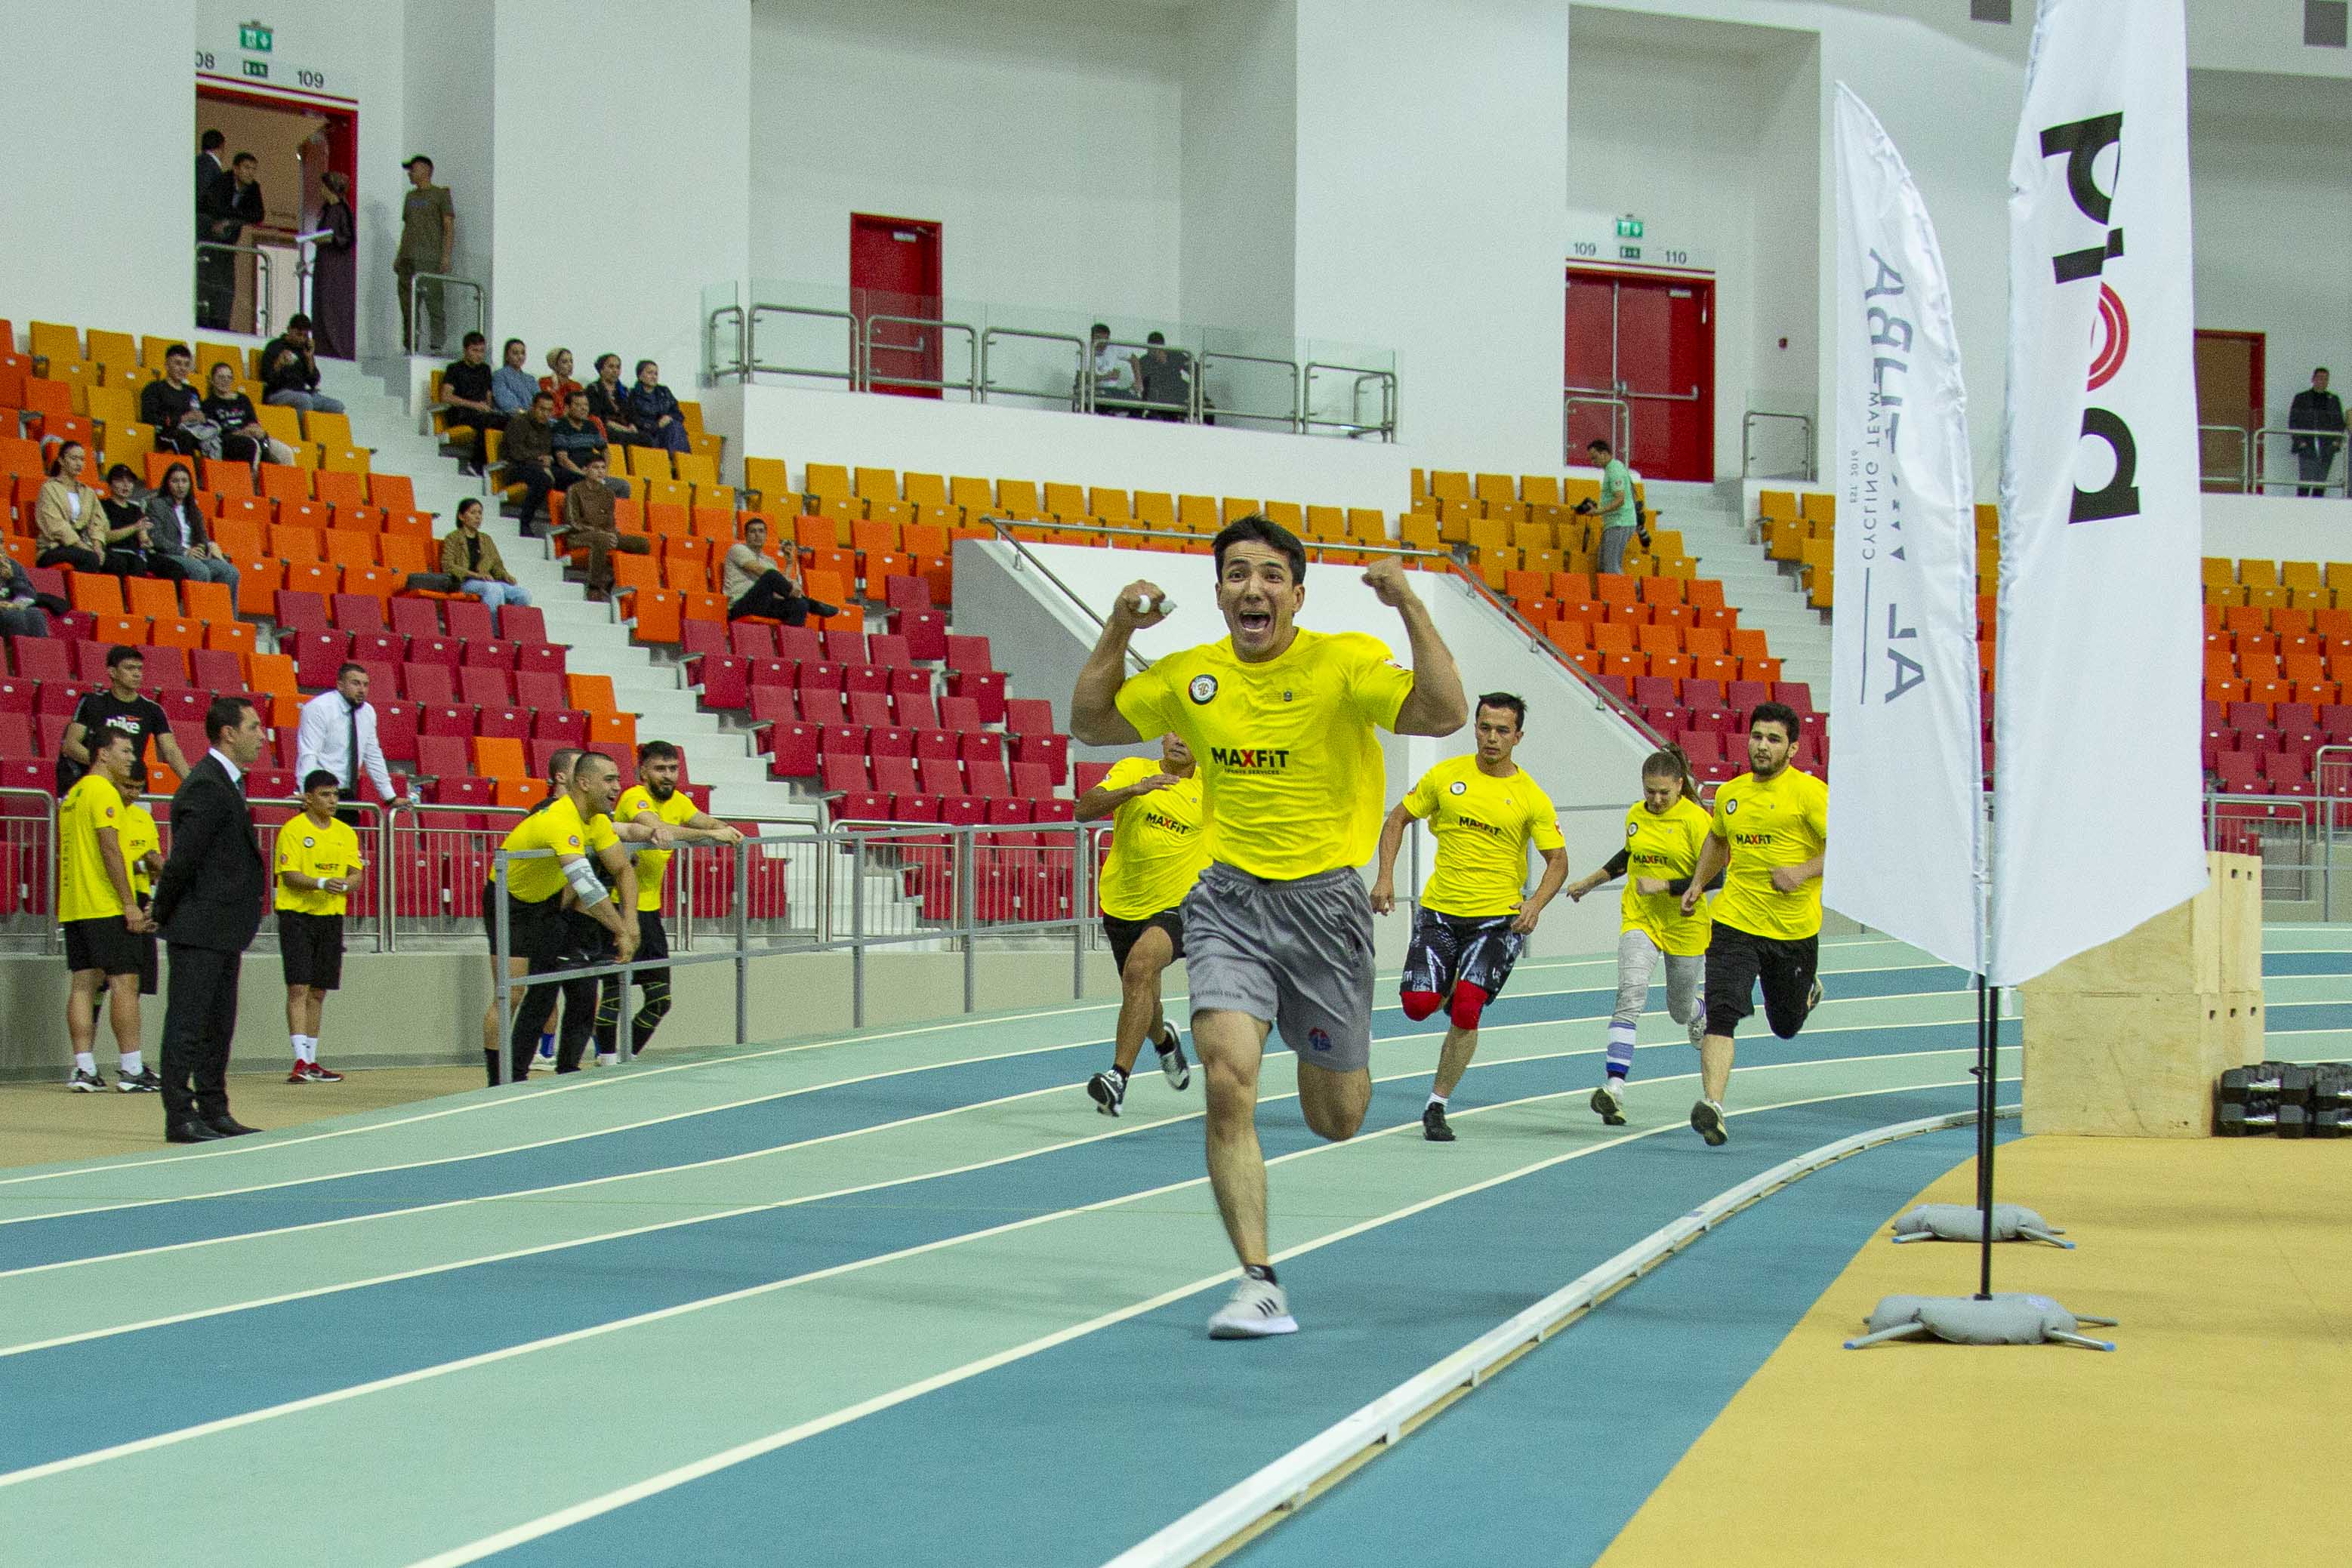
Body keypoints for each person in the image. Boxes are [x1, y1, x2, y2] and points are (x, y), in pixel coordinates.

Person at [1070, 515, 1469, 1338]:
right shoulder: (1191, 674)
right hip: (1228, 901)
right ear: (1220, 593)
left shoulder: (1342, 661)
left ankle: (1326, 1043)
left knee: (1336, 1119)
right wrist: (1117, 625)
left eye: (1271, 575)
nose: (1253, 588)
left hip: (1325, 906)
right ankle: (1257, 1281)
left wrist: (1408, 605)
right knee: (1226, 1078)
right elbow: (1092, 721)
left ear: (1296, 593)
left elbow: (1442, 712)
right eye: (1236, 574)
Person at [1369, 692, 1569, 1141]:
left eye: (1502, 730)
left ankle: (1436, 1105)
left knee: (1467, 1009)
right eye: (1484, 727)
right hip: (1440, 912)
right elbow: (1397, 820)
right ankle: (1452, 990)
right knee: (1417, 1007)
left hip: (1497, 920)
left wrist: (1535, 904)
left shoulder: (1530, 796)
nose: (1492, 738)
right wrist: (1385, 877)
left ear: (1518, 737)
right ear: (1475, 728)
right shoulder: (1446, 776)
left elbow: (1558, 860)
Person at [1678, 703, 1828, 1146]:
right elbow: (1717, 839)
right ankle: (1713, 1105)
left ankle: (1807, 991)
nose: (1762, 746)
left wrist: (1800, 872)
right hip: (1734, 921)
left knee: (1786, 1025)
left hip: (1792, 931)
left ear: (1793, 748)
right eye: (1757, 736)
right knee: (1721, 1013)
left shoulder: (1810, 794)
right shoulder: (1731, 793)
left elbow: (1849, 846)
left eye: (1774, 739)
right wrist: (1698, 883)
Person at [1563, 744, 1718, 1125]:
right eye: (1650, 791)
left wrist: (1666, 886)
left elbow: (1717, 877)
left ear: (1679, 785)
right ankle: (1614, 1088)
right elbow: (1627, 856)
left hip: (1685, 926)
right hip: (1640, 919)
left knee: (1679, 1011)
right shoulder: (1636, 815)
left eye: (1664, 792)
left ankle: (1699, 1011)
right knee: (1629, 996)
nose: (1657, 799)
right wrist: (1590, 882)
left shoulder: (1697, 821)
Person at [153, 697, 270, 1143]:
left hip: (221, 928)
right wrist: (161, 913)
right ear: (228, 733)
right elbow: (183, 861)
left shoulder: (225, 783)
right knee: (187, 1025)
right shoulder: (206, 785)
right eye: (254, 727)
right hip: (199, 925)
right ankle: (180, 1115)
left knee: (218, 1026)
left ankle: (214, 1108)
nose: (262, 736)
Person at [486, 750, 641, 1083]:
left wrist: (631, 922)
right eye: (609, 779)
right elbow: (586, 884)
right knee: (510, 994)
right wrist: (620, 931)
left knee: (545, 990)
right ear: (583, 783)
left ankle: (531, 1071)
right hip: (509, 900)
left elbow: (623, 869)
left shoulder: (598, 821)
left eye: (618, 779)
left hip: (548, 902)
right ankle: (496, 1083)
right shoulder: (560, 818)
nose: (617, 786)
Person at [1075, 731, 1204, 1115]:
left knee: (1140, 969)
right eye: (1174, 730)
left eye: (1190, 731)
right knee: (1144, 997)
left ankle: (1117, 1079)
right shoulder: (1134, 769)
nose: (1180, 739)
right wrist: (1134, 790)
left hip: (1178, 905)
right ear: (1163, 738)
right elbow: (1083, 810)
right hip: (1122, 905)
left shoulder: (1212, 788)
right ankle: (1164, 1041)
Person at [600, 740, 743, 1061]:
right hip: (617, 907)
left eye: (673, 769)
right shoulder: (634, 796)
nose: (668, 775)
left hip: (650, 913)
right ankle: (607, 1060)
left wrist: (727, 830)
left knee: (660, 1000)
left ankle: (627, 1057)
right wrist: (712, 835)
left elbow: (706, 821)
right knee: (614, 994)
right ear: (643, 772)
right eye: (660, 769)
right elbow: (657, 827)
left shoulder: (679, 801)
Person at [59, 732, 161, 1093]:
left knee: (83, 985)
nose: (131, 757)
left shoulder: (73, 795)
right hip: (105, 904)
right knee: (125, 983)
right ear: (103, 754)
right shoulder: (104, 792)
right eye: (126, 750)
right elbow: (110, 848)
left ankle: (84, 1069)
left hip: (75, 905)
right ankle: (131, 1069)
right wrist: (129, 903)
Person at [276, 769, 362, 1084]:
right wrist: (323, 882)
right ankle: (299, 1059)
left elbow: (356, 873)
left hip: (330, 916)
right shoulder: (293, 830)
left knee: (319, 991)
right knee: (298, 987)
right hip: (297, 916)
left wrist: (347, 884)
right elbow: (289, 875)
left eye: (335, 794)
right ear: (309, 798)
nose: (333, 800)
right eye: (325, 794)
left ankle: (312, 1060)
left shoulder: (345, 832)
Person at [60, 645, 186, 796]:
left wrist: (192, 783)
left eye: (139, 669)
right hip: (96, 785)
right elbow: (70, 745)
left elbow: (171, 751)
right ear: (112, 672)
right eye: (129, 668)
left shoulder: (152, 710)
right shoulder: (92, 702)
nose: (137, 674)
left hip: (132, 788)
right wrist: (109, 766)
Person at [294, 661, 396, 807]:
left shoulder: (368, 712)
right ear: (340, 685)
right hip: (320, 793)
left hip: (348, 793)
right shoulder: (318, 708)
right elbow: (309, 752)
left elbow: (373, 754)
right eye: (356, 683)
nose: (362, 690)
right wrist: (306, 792)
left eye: (365, 685)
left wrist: (390, 797)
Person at [562, 454, 650, 602]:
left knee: (643, 544)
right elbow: (573, 522)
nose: (600, 471)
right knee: (601, 539)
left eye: (603, 468)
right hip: (578, 535)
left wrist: (613, 535)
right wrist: (600, 533)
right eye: (596, 468)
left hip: (604, 535)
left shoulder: (608, 494)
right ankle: (594, 588)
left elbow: (610, 522)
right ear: (585, 470)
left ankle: (612, 583)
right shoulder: (574, 490)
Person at [143, 461, 241, 593]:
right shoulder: (157, 505)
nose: (180, 486)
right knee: (200, 570)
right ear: (167, 484)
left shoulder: (194, 509)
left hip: (195, 557)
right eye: (175, 481)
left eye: (184, 481)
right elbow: (156, 537)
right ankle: (199, 606)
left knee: (231, 572)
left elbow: (203, 538)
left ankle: (224, 607)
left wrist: (206, 547)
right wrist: (185, 552)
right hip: (171, 555)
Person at [439, 498, 531, 633]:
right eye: (473, 513)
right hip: (465, 582)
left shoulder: (486, 539)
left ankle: (512, 632)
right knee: (494, 589)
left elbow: (497, 566)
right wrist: (476, 575)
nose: (478, 517)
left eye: (480, 513)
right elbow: (448, 565)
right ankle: (492, 633)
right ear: (461, 516)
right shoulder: (453, 538)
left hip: (487, 581)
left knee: (523, 594)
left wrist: (506, 576)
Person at [723, 516, 836, 625]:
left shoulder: (770, 561)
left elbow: (780, 588)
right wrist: (790, 586)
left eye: (761, 531)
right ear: (746, 535)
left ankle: (790, 636)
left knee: (800, 604)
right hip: (740, 606)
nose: (757, 535)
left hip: (764, 605)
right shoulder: (738, 549)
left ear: (766, 535)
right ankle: (814, 605)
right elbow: (757, 569)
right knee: (771, 575)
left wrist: (789, 564)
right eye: (753, 531)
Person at [396, 155, 455, 354]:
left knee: (434, 303)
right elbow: (407, 228)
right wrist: (399, 255)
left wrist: (446, 256)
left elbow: (448, 226)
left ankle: (437, 344)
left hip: (430, 257)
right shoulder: (410, 197)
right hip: (407, 258)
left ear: (425, 170)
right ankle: (410, 345)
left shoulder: (440, 194)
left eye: (413, 169)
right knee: (408, 306)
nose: (410, 173)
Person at [33, 442, 110, 572]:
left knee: (117, 561)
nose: (79, 463)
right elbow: (56, 525)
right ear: (61, 460)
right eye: (74, 458)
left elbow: (97, 523)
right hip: (54, 547)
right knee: (89, 558)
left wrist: (97, 547)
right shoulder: (49, 489)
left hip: (83, 545)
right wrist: (84, 547)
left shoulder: (88, 492)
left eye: (82, 459)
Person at [99, 465, 183, 582]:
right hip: (116, 551)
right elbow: (105, 537)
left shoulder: (136, 509)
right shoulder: (103, 506)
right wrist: (134, 528)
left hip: (138, 552)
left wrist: (146, 542)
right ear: (110, 484)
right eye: (120, 480)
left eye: (130, 481)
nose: (126, 485)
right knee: (135, 564)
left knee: (176, 569)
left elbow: (143, 537)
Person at [202, 362, 293, 470]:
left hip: (252, 434)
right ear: (212, 380)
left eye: (229, 377)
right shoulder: (208, 404)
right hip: (231, 441)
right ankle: (254, 479)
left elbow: (253, 421)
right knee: (253, 445)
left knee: (286, 452)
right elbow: (216, 433)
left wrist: (255, 430)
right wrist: (242, 433)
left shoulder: (242, 399)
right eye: (221, 377)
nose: (225, 381)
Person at [139, 344, 221, 460]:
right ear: (167, 365)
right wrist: (181, 419)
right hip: (167, 433)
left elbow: (202, 413)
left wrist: (202, 417)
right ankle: (190, 470)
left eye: (186, 365)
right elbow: (150, 419)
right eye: (178, 363)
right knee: (184, 437)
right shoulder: (154, 389)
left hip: (195, 431)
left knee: (218, 439)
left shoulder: (192, 391)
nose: (183, 368)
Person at [550, 389, 630, 500]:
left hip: (593, 474)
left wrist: (603, 471)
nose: (584, 408)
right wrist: (583, 474)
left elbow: (605, 451)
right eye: (578, 405)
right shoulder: (560, 427)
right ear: (567, 408)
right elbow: (562, 459)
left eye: (586, 405)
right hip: (574, 476)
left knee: (624, 486)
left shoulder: (591, 426)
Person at [258, 314, 346, 416]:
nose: (301, 339)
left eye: (305, 336)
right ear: (289, 329)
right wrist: (279, 363)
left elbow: (313, 381)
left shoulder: (303, 350)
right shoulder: (274, 346)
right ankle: (301, 427)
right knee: (304, 400)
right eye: (298, 335)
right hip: (278, 392)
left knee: (337, 406)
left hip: (302, 392)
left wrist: (309, 358)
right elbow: (266, 377)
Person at [497, 390, 558, 534]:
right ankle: (524, 522)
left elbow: (546, 454)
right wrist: (541, 462)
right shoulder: (518, 422)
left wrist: (548, 459)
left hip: (536, 467)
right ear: (533, 407)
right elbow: (517, 453)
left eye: (549, 410)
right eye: (542, 409)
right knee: (543, 479)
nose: (545, 414)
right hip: (515, 468)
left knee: (573, 478)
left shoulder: (548, 429)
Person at [310, 171, 356, 359]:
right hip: (325, 264)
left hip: (336, 268)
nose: (321, 190)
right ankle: (323, 345)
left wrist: (331, 239)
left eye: (323, 186)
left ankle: (336, 348)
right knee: (322, 304)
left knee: (333, 306)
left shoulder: (342, 210)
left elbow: (348, 239)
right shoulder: (327, 210)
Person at [440, 331, 500, 476]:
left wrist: (488, 407)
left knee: (506, 422)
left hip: (481, 413)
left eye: (482, 351)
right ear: (465, 350)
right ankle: (476, 464)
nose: (479, 355)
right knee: (486, 421)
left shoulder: (485, 369)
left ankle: (496, 466)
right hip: (461, 413)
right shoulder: (454, 369)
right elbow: (446, 397)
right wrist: (474, 405)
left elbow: (488, 395)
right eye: (475, 350)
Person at [195, 132, 236, 331]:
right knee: (213, 286)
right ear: (222, 147)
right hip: (209, 238)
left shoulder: (198, 164)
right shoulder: (209, 168)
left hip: (204, 236)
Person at [2289, 368, 2344, 498]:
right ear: (2313, 379)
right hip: (2307, 445)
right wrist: (2300, 442)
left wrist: (2336, 442)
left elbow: (2340, 423)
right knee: (2305, 482)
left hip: (2327, 447)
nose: (2322, 381)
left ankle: (2318, 510)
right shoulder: (2301, 398)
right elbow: (2293, 422)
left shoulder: (2334, 399)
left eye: (2325, 379)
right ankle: (2300, 509)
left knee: (2321, 484)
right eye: (2319, 378)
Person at [1588, 438, 1640, 575]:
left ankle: (1635, 587)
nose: (1593, 462)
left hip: (1619, 523)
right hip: (1614, 523)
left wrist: (1598, 511)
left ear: (1604, 453)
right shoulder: (1615, 467)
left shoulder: (1614, 471)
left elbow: (1620, 500)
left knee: (1612, 568)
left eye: (1595, 458)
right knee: (1602, 564)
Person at [625, 361, 691, 454]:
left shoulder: (664, 392)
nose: (654, 377)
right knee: (674, 429)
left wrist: (669, 417)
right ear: (640, 376)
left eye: (656, 374)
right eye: (650, 373)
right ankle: (676, 459)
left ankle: (677, 458)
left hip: (668, 431)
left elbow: (679, 415)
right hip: (648, 433)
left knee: (675, 426)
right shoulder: (632, 394)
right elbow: (633, 419)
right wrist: (657, 425)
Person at [584, 353, 642, 446]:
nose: (615, 370)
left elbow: (632, 414)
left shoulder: (625, 391)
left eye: (618, 367)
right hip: (607, 429)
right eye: (611, 367)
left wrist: (632, 424)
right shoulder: (593, 389)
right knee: (615, 436)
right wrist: (620, 427)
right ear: (601, 370)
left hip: (626, 429)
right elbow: (595, 415)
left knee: (647, 439)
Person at [1136, 331, 1191, 421]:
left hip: (1177, 391)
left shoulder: (1175, 355)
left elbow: (1194, 368)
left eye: (1157, 349)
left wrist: (1166, 362)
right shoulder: (1144, 361)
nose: (1154, 352)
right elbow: (1146, 382)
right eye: (1151, 348)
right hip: (1157, 395)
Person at [0, 553, 56, 639]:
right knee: (14, 617)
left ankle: (36, 647)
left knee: (36, 614)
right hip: (6, 611)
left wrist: (12, 578)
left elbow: (29, 596)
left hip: (14, 607)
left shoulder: (12, 565)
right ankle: (12, 647)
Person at [1087, 323, 1139, 414]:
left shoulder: (1112, 347)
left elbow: (1134, 358)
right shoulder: (1085, 350)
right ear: (1093, 338)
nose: (1103, 343)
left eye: (1106, 340)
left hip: (1112, 391)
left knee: (1137, 403)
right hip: (1094, 391)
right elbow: (1085, 378)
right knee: (1103, 402)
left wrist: (1138, 381)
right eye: (1100, 339)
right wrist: (1107, 376)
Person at [490, 337, 538, 420]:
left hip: (535, 418)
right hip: (511, 419)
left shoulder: (531, 379)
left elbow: (540, 401)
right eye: (515, 353)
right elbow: (507, 404)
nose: (520, 357)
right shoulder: (499, 376)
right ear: (507, 356)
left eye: (523, 353)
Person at [538, 347, 582, 415]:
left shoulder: (577, 386)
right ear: (555, 365)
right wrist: (555, 389)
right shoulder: (544, 382)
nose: (570, 365)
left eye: (571, 361)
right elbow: (549, 408)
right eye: (565, 362)